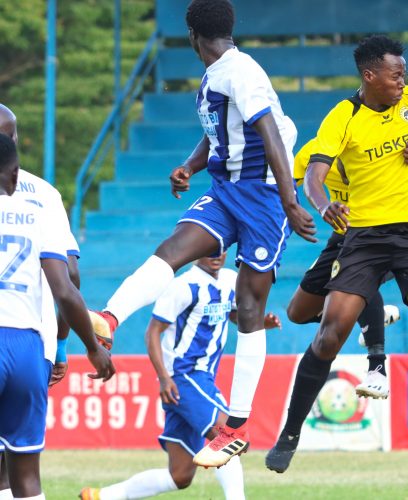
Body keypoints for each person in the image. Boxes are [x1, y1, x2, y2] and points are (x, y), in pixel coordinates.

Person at [87, 0, 316, 467]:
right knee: (172, 249)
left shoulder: (243, 72)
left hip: (265, 199)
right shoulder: (217, 75)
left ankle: (236, 425)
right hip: (226, 189)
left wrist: (292, 201)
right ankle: (108, 320)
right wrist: (191, 166)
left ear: (193, 35)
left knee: (250, 308)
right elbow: (218, 133)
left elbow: (268, 130)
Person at [265, 35, 408, 482]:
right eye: (395, 74)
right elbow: (314, 175)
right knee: (329, 332)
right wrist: (323, 207)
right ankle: (290, 433)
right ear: (369, 75)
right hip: (363, 235)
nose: (403, 80)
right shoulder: (344, 116)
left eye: (404, 73)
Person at [80, 254, 278, 500]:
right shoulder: (183, 286)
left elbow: (232, 313)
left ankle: (103, 496)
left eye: (221, 249)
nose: (216, 255)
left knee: (180, 475)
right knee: (230, 438)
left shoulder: (230, 279)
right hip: (183, 377)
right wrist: (164, 378)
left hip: (200, 380)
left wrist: (260, 322)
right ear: (198, 250)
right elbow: (153, 333)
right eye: (210, 249)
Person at [0, 133, 115, 500]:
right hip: (26, 347)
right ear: (15, 172)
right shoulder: (39, 211)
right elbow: (67, 287)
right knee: (25, 474)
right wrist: (92, 347)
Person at [0, 104, 83, 498]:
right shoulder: (44, 196)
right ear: (15, 140)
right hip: (33, 342)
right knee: (23, 460)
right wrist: (64, 345)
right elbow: (71, 278)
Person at [288, 138, 408, 399]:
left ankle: (376, 367)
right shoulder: (314, 151)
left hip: (383, 235)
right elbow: (289, 183)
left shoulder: (381, 146)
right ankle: (366, 317)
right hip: (342, 237)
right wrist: (292, 210)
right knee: (297, 313)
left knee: (359, 274)